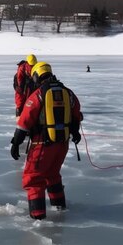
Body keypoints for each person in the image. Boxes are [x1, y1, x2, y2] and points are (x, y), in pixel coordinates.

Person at [10, 62, 83, 220]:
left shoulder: (38, 94)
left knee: (34, 178)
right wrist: (75, 131)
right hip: (62, 143)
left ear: (36, 75)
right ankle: (59, 207)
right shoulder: (68, 93)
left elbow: (24, 121)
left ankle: (38, 219)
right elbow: (77, 114)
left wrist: (16, 143)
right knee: (52, 174)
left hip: (42, 145)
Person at [13, 54, 38, 118]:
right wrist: (20, 87)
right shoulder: (22, 68)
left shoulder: (36, 67)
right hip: (23, 88)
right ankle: (19, 116)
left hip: (31, 87)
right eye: (31, 65)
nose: (32, 66)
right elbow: (19, 79)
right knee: (20, 102)